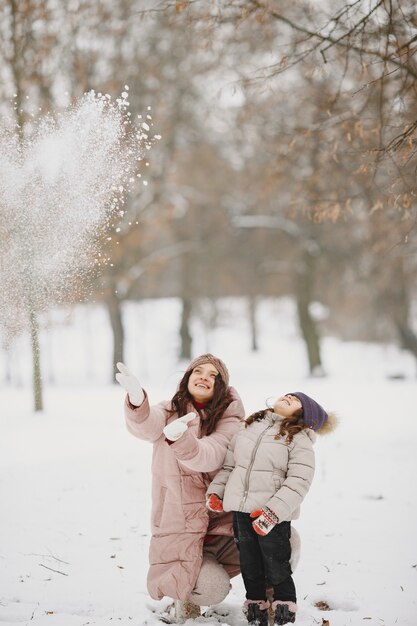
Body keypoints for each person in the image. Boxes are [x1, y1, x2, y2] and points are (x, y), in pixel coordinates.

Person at [116, 354, 245, 622]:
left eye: (213, 375)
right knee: (211, 587)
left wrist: (182, 440)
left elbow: (210, 453)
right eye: (198, 370)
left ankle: (265, 600)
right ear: (187, 378)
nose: (204, 377)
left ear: (221, 386)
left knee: (285, 542)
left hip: (223, 530)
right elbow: (147, 425)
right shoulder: (168, 413)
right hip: (181, 528)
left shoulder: (231, 422)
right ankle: (186, 595)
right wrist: (138, 401)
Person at [206, 392, 336, 626]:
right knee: (249, 562)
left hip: (272, 515)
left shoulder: (299, 440)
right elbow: (229, 466)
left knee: (276, 563)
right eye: (287, 394)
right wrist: (217, 492)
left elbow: (299, 482)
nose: (287, 397)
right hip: (241, 511)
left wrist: (273, 512)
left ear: (305, 415)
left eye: (296, 400)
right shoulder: (249, 427)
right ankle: (255, 606)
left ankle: (284, 606)